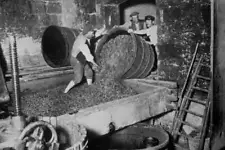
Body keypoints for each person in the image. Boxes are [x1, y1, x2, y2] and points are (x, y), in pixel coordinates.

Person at [64, 23, 106, 93]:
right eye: (92, 33)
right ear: (88, 32)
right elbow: (87, 55)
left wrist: (103, 29)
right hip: (76, 59)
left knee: (89, 71)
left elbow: (96, 34)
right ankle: (65, 91)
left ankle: (90, 87)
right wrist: (94, 63)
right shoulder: (82, 42)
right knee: (78, 78)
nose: (93, 34)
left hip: (81, 56)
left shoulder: (86, 35)